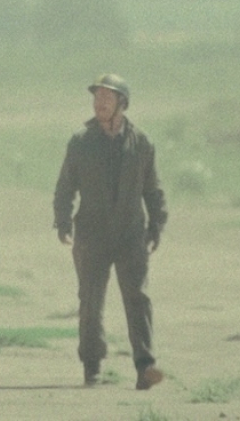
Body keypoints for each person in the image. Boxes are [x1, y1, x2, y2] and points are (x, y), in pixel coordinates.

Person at [53, 73, 167, 390]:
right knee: (91, 301)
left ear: (122, 103)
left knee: (138, 299)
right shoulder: (81, 142)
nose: (99, 103)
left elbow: (153, 189)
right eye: (97, 97)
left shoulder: (141, 143)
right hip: (91, 234)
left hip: (131, 234)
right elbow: (65, 187)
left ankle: (146, 366)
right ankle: (92, 366)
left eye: (107, 97)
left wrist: (157, 224)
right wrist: (62, 222)